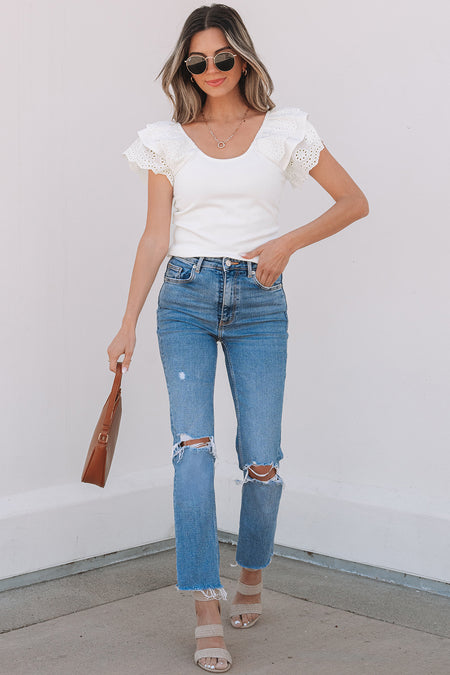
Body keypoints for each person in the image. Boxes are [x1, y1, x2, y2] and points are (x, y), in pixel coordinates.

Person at [108, 3, 369, 672]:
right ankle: (206, 605)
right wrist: (127, 321)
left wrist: (286, 243)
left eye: (223, 57)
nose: (212, 70)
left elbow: (352, 201)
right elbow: (155, 237)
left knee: (262, 459)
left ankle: (252, 572)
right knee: (192, 451)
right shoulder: (165, 141)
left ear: (243, 58)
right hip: (184, 298)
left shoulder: (285, 129)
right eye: (197, 61)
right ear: (185, 68)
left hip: (258, 301)